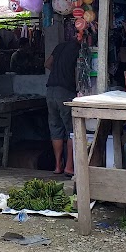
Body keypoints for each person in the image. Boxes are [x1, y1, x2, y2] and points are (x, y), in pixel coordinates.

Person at [45, 38, 81, 175]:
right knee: (72, 129)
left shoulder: (59, 46)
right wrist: (67, 76)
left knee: (55, 128)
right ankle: (69, 166)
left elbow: (47, 64)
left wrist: (58, 72)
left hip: (51, 91)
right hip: (66, 92)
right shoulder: (79, 49)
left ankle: (57, 166)